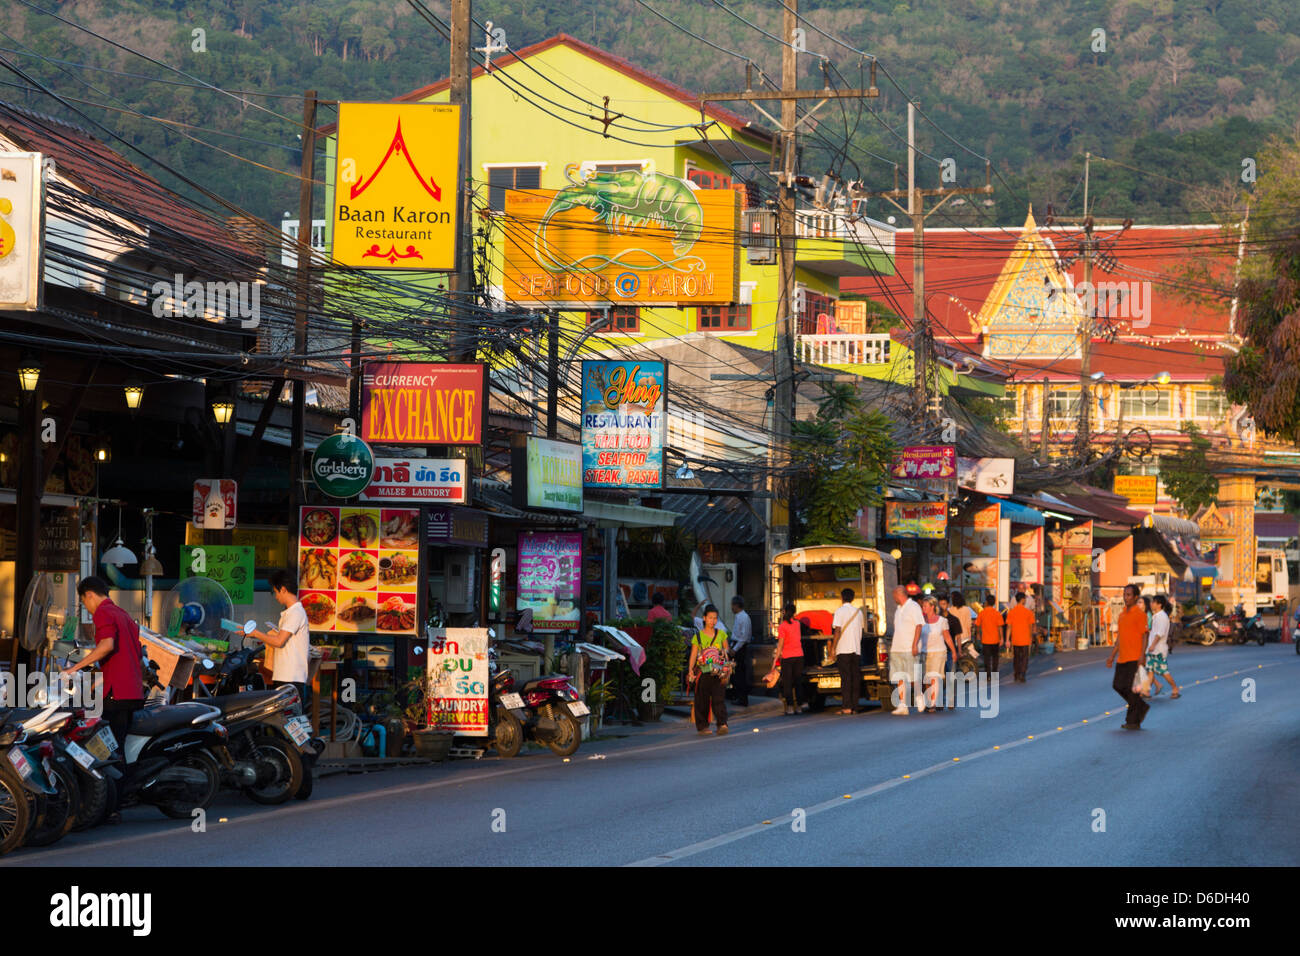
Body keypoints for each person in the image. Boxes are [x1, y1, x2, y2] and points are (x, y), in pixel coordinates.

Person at [67, 576, 144, 753]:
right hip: (132, 693)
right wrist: (95, 685)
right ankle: (127, 779)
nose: (86, 607)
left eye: (84, 602)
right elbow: (128, 658)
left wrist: (74, 668)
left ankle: (115, 781)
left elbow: (106, 646)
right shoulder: (123, 614)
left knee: (108, 749)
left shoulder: (103, 612)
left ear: (89, 595)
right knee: (119, 745)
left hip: (116, 696)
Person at [249, 569, 311, 707]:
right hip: (286, 675)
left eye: (275, 592)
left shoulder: (295, 612)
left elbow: (279, 641)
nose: (276, 596)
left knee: (291, 722)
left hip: (291, 677)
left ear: (283, 589)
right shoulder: (290, 612)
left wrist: (256, 633)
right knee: (288, 721)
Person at [1106, 584, 1151, 730]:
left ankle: (1133, 721)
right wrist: (1112, 656)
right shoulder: (1122, 615)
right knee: (1118, 685)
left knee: (1133, 690)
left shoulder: (1140, 615)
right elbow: (1120, 637)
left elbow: (1145, 635)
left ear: (1136, 597)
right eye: (1125, 594)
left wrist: (1142, 655)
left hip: (1134, 657)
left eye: (1129, 595)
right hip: (1122, 657)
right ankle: (1141, 707)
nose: (1126, 597)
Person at [688, 604, 729, 735]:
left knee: (719, 699)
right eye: (710, 618)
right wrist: (690, 670)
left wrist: (724, 651)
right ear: (704, 618)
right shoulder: (698, 637)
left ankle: (722, 724)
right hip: (703, 673)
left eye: (715, 618)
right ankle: (702, 727)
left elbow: (726, 649)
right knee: (702, 700)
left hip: (718, 672)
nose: (713, 621)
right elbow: (693, 655)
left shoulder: (721, 634)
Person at [917, 596, 957, 713]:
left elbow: (947, 637)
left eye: (925, 606)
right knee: (926, 679)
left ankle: (933, 703)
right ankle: (930, 699)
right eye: (922, 606)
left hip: (939, 652)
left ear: (932, 607)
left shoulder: (942, 621)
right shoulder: (920, 621)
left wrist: (954, 651)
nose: (923, 608)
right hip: (924, 652)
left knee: (934, 677)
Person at [889, 585, 924, 715]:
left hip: (909, 647)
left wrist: (914, 645)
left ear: (899, 594)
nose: (893, 598)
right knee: (899, 677)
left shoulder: (913, 606)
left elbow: (919, 625)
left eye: (894, 596)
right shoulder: (898, 609)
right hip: (897, 648)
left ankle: (919, 696)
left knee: (913, 676)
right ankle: (903, 705)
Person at [831, 588, 865, 714]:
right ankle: (854, 707)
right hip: (856, 649)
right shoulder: (859, 612)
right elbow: (861, 629)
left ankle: (846, 707)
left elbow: (837, 631)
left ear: (842, 597)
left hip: (843, 649)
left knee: (846, 679)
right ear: (853, 598)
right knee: (855, 678)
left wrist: (833, 648)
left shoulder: (840, 611)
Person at [770, 602, 806, 715]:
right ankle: (799, 706)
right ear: (794, 613)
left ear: (784, 612)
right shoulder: (798, 624)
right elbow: (790, 628)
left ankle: (790, 707)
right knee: (798, 682)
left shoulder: (783, 626)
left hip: (787, 657)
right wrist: (776, 627)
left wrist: (775, 660)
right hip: (799, 656)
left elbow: (780, 645)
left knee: (788, 683)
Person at [1146, 595, 1181, 699]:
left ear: (1159, 605)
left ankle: (1175, 688)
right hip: (1153, 649)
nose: (1151, 604)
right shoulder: (1156, 616)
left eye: (1153, 602)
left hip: (1158, 650)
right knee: (1150, 670)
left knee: (1163, 672)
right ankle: (1146, 692)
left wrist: (1152, 645)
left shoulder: (1162, 617)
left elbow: (1160, 633)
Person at [938, 594, 963, 709]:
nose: (942, 606)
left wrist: (958, 651)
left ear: (948, 605)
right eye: (940, 604)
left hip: (949, 652)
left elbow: (958, 637)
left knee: (950, 677)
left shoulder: (954, 620)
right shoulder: (935, 619)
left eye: (944, 604)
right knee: (938, 678)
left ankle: (951, 701)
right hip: (938, 652)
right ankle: (939, 701)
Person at [727, 595, 753, 706]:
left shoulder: (744, 617)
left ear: (736, 605)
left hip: (740, 647)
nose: (731, 607)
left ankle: (742, 698)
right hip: (736, 645)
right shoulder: (739, 616)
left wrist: (735, 649)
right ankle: (737, 695)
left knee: (740, 673)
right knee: (734, 673)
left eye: (732, 605)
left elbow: (744, 636)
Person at [1006, 592, 1034, 682]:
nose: (1025, 600)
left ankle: (1016, 674)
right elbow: (1030, 626)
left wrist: (1007, 639)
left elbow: (1009, 627)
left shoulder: (1012, 612)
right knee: (1025, 657)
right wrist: (1031, 637)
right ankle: (1022, 674)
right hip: (1025, 639)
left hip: (1015, 639)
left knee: (1016, 657)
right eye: (1025, 599)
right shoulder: (1028, 612)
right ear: (1022, 600)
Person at [975, 592, 1004, 680]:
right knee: (995, 658)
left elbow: (977, 625)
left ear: (986, 602)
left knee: (987, 658)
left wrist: (978, 634)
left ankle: (988, 675)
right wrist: (1002, 638)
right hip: (995, 639)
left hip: (985, 640)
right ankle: (994, 674)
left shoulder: (982, 613)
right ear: (994, 603)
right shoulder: (997, 613)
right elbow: (1000, 627)